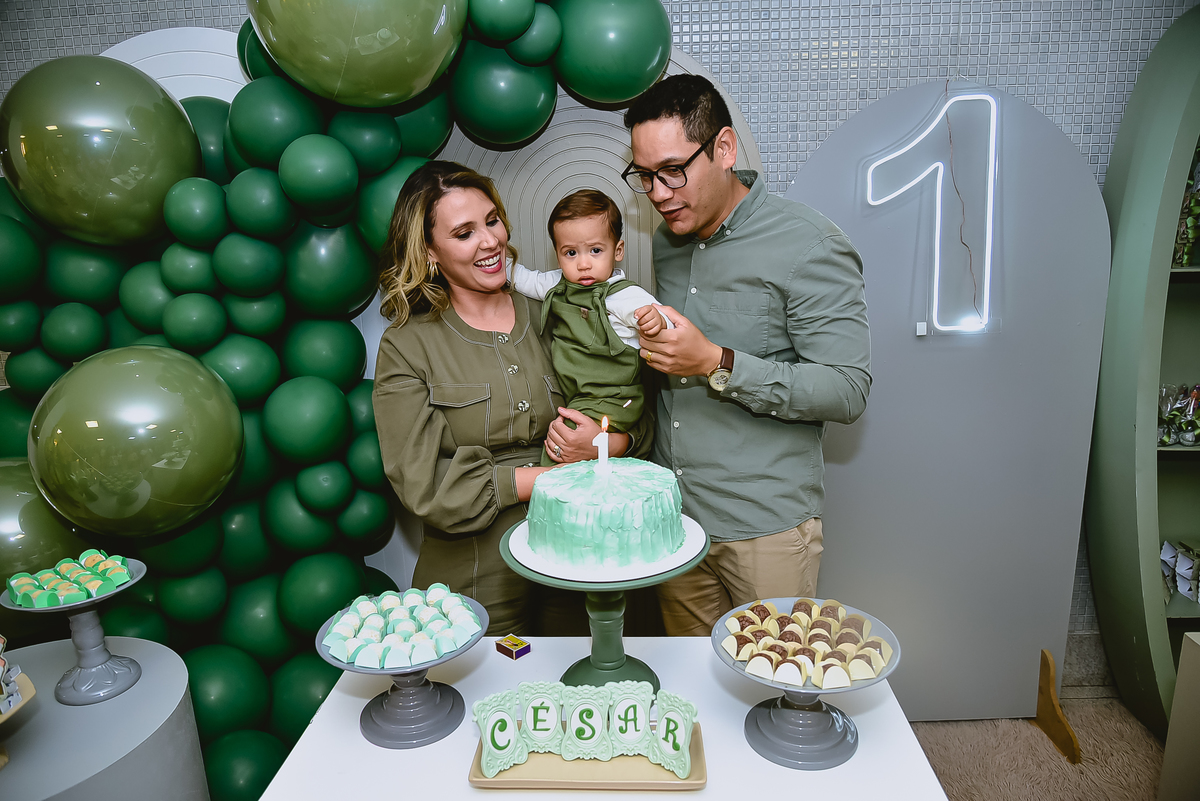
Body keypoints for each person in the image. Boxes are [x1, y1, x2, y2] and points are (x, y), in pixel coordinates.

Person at [622, 74, 872, 636]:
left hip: (766, 531)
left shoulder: (810, 245)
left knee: (774, 691)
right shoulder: (668, 240)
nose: (659, 193)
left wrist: (716, 361)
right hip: (677, 521)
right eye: (644, 177)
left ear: (725, 148)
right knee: (696, 698)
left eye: (673, 171)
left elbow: (847, 389)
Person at [371, 161, 652, 635]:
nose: (489, 241)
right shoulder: (407, 344)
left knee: (589, 695)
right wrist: (545, 477)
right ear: (430, 252)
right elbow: (424, 486)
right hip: (475, 581)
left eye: (492, 220)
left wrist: (604, 446)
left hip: (581, 561)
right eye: (463, 233)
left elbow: (635, 413)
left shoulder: (565, 306)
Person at [508, 189, 672, 466]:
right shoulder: (557, 285)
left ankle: (555, 503)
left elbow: (667, 321)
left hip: (614, 398)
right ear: (558, 255)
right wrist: (495, 258)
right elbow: (522, 278)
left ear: (617, 251)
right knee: (582, 456)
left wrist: (656, 321)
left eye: (596, 251)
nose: (583, 264)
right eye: (571, 253)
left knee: (561, 445)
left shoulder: (623, 296)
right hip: (579, 396)